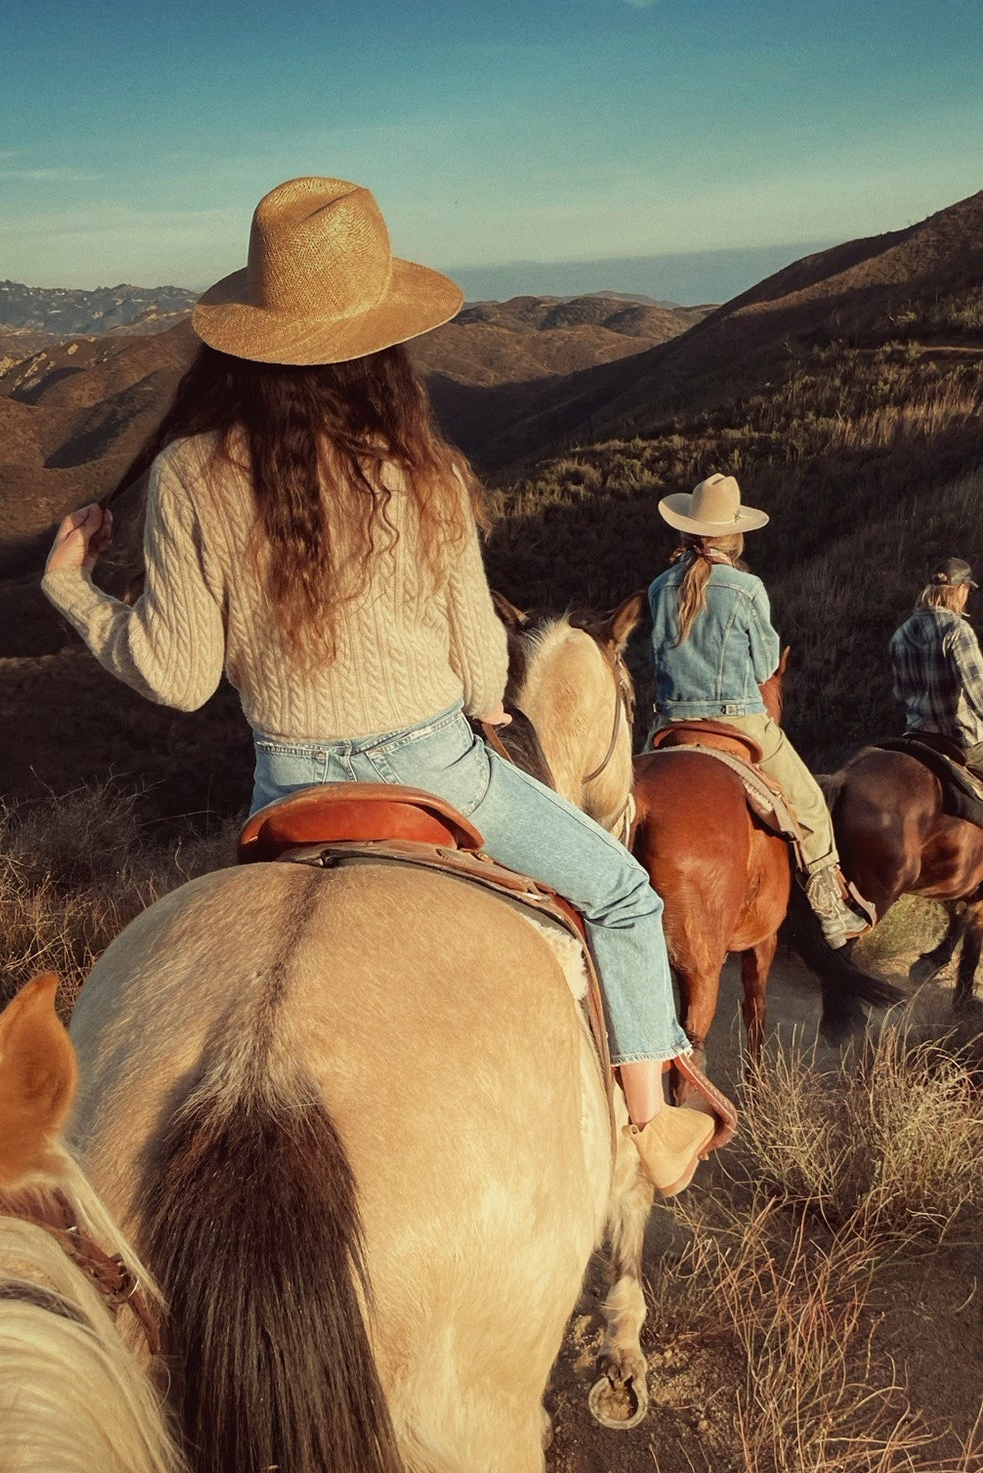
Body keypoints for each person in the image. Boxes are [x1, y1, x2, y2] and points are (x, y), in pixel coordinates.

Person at [41, 176, 714, 1194]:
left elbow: (176, 678)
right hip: (440, 769)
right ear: (384, 340)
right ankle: (652, 1124)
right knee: (623, 896)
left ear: (251, 337)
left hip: (287, 790)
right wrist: (485, 697)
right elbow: (485, 670)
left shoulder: (186, 472)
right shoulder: (427, 469)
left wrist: (75, 593)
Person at [647, 474, 871, 951]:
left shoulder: (659, 588)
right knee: (809, 803)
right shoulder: (747, 588)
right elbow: (768, 663)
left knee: (621, 796)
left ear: (685, 531)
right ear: (734, 535)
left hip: (669, 723)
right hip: (738, 718)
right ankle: (830, 907)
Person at [888, 557, 983, 910]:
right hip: (962, 737)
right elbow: (977, 691)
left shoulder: (901, 634)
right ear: (958, 591)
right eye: (966, 592)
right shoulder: (958, 631)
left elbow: (900, 691)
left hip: (915, 734)